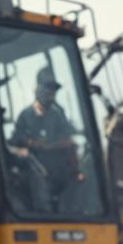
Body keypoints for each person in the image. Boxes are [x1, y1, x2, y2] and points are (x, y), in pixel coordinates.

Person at [9, 68, 80, 211]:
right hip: (34, 169)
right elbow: (16, 141)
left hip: (59, 169)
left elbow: (68, 139)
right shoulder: (26, 115)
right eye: (48, 88)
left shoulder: (59, 115)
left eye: (53, 89)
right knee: (37, 182)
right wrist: (32, 145)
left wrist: (48, 146)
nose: (51, 93)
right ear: (37, 89)